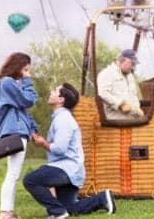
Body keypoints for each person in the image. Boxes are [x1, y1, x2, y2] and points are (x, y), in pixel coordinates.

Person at [23, 83, 116, 218]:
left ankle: (57, 212)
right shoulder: (61, 117)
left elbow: (60, 149)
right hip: (72, 171)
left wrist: (43, 143)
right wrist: (43, 141)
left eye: (55, 90)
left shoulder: (63, 119)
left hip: (67, 169)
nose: (51, 91)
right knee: (70, 208)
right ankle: (102, 198)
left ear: (61, 100)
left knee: (30, 180)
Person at [0, 52, 38, 219]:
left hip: (15, 132)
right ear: (18, 66)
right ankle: (5, 213)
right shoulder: (7, 83)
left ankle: (8, 212)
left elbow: (22, 110)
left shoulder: (7, 84)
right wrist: (27, 80)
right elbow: (29, 100)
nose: (27, 73)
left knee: (13, 173)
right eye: (26, 69)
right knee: (12, 174)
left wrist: (33, 129)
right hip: (16, 134)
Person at [97, 49, 144, 120]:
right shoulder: (107, 73)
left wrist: (137, 108)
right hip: (114, 119)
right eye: (132, 63)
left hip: (131, 119)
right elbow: (103, 93)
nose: (133, 67)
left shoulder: (130, 76)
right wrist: (120, 104)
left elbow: (133, 95)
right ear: (122, 60)